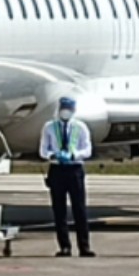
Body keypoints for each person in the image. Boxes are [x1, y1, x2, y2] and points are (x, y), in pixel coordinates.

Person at [39, 96, 95, 257]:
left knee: (79, 209)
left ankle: (84, 246)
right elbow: (43, 150)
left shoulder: (80, 127)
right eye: (63, 108)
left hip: (74, 168)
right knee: (59, 209)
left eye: (69, 109)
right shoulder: (49, 127)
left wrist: (73, 155)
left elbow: (87, 150)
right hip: (57, 169)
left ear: (74, 110)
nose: (65, 112)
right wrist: (53, 155)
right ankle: (64, 246)